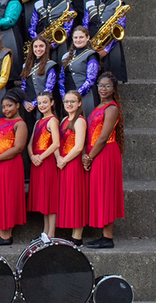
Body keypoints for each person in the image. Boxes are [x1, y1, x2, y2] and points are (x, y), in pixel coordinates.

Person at [83, 72, 125, 248]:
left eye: (108, 86)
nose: (103, 89)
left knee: (106, 192)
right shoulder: (100, 106)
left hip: (105, 152)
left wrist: (89, 157)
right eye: (101, 85)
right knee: (101, 191)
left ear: (114, 89)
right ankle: (104, 235)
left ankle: (108, 238)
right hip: (97, 152)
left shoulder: (112, 108)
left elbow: (103, 136)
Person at [0, 89, 28, 245]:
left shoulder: (20, 124)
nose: (6, 110)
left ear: (17, 105)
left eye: (9, 106)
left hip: (9, 165)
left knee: (6, 197)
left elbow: (18, 148)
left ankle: (6, 236)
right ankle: (1, 233)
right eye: (4, 107)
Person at [84, 0, 128, 82]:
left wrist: (106, 49)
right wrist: (89, 42)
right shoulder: (90, 2)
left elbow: (120, 26)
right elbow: (85, 23)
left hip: (111, 45)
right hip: (92, 43)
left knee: (111, 78)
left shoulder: (118, 4)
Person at [56, 89, 89, 246]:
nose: (69, 104)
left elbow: (78, 146)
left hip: (73, 163)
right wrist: (59, 159)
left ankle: (77, 236)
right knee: (68, 196)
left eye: (72, 101)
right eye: (66, 101)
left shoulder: (80, 121)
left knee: (76, 196)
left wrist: (64, 160)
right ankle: (72, 234)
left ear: (79, 103)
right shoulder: (63, 120)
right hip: (64, 162)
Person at [27, 91, 60, 239]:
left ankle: (51, 233)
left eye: (45, 102)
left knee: (50, 197)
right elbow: (30, 143)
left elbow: (56, 143)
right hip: (37, 161)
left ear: (52, 103)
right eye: (39, 103)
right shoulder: (37, 122)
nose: (42, 106)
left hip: (46, 161)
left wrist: (40, 157)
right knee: (43, 197)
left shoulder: (53, 120)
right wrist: (32, 156)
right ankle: (45, 232)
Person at [60, 26, 100, 117]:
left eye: (81, 37)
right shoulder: (66, 56)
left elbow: (90, 80)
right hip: (68, 97)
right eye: (76, 37)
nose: (78, 40)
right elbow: (61, 78)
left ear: (88, 38)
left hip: (85, 96)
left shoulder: (91, 55)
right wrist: (65, 97)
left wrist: (77, 96)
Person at [21, 36, 57, 120]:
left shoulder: (50, 65)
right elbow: (23, 86)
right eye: (35, 46)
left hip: (42, 106)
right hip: (27, 106)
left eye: (41, 46)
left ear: (46, 48)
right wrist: (25, 102)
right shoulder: (26, 66)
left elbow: (48, 89)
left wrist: (34, 104)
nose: (38, 49)